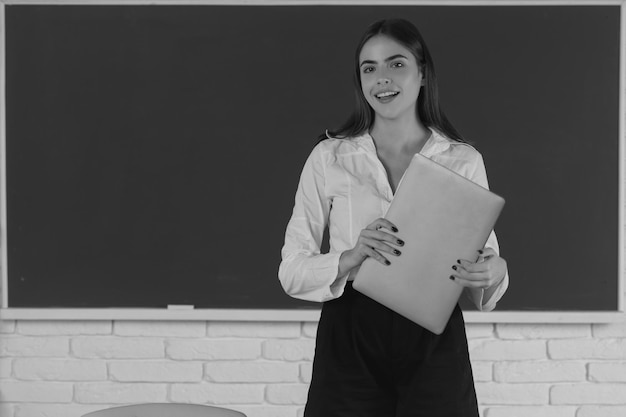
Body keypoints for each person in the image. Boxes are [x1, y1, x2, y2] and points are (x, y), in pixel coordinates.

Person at [278, 18, 509, 417]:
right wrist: (350, 257)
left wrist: (495, 272)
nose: (381, 78)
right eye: (369, 68)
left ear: (422, 74)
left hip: (433, 337)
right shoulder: (329, 157)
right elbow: (291, 271)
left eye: (396, 63)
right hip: (350, 333)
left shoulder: (462, 159)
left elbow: (481, 267)